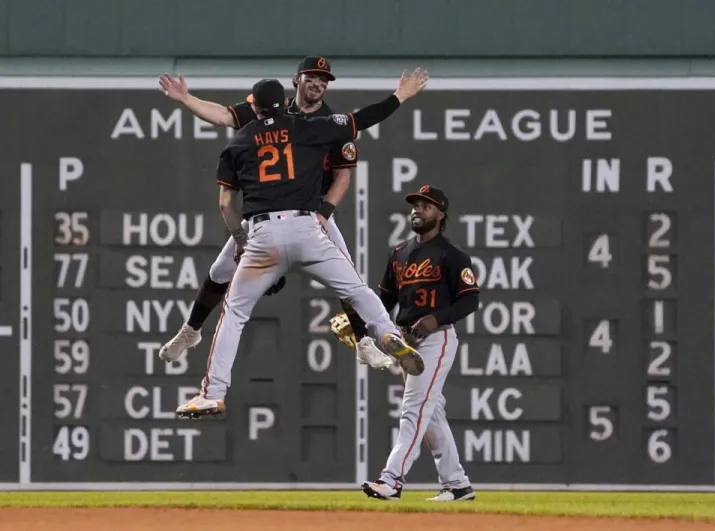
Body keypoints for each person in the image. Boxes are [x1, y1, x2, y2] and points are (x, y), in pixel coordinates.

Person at [176, 69, 429, 419]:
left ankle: (213, 394)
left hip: (262, 234)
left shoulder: (238, 143)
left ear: (256, 107)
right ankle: (387, 333)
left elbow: (225, 205)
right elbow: (359, 120)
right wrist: (400, 96)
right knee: (356, 289)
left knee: (233, 314)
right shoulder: (307, 127)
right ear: (283, 102)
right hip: (307, 227)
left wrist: (239, 239)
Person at [157, 56, 392, 370]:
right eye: (312, 76)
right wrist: (187, 98)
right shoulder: (271, 108)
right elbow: (225, 115)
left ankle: (363, 342)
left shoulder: (328, 121)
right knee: (219, 272)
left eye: (324, 79)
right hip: (265, 212)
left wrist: (323, 212)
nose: (318, 83)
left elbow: (343, 174)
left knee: (348, 277)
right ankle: (191, 331)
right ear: (297, 80)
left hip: (311, 210)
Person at [361, 185, 479, 502]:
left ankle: (392, 480)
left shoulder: (452, 256)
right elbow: (383, 299)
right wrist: (361, 323)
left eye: (425, 206)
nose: (417, 210)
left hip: (437, 339)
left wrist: (435, 319)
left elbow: (470, 301)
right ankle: (457, 484)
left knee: (414, 409)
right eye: (415, 205)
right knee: (432, 412)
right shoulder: (400, 253)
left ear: (441, 214)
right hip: (406, 343)